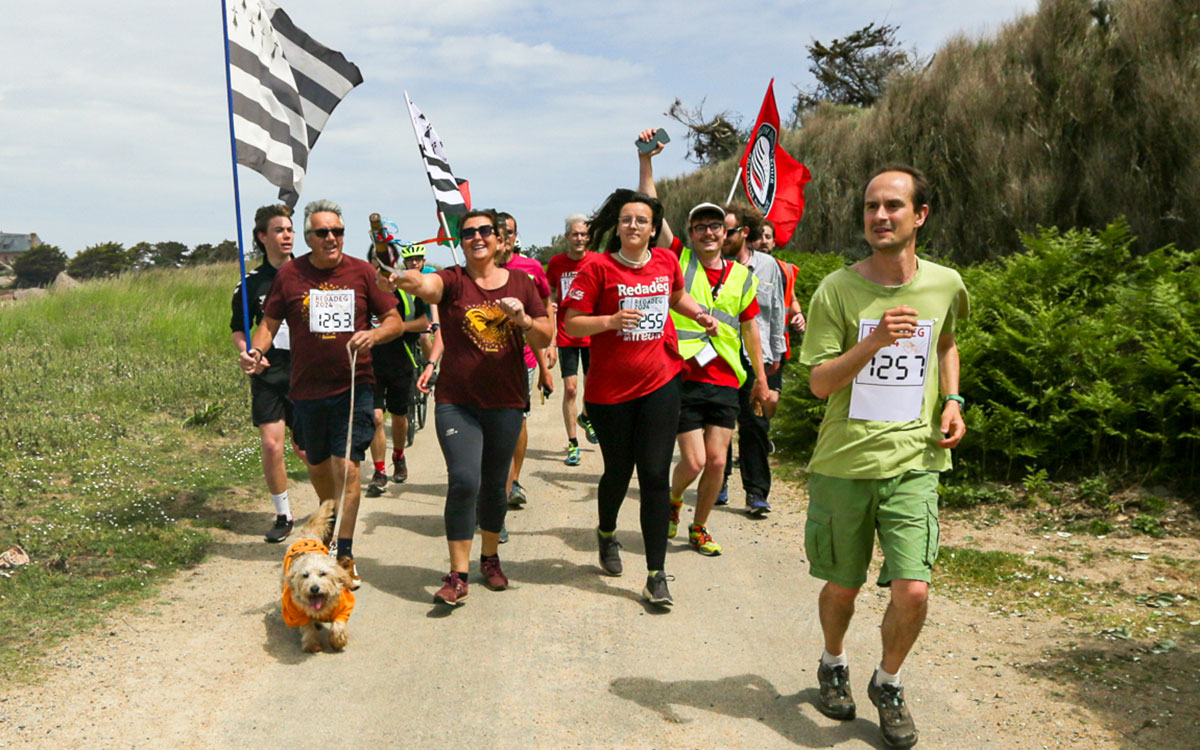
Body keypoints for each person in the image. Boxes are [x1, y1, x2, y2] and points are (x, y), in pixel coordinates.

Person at [799, 165, 968, 749]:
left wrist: (953, 400)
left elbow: (946, 340)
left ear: (919, 215)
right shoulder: (837, 290)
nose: (879, 216)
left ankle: (888, 682)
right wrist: (871, 342)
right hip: (844, 463)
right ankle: (832, 661)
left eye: (893, 206)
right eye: (871, 206)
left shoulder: (945, 283)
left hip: (916, 460)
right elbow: (819, 383)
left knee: (913, 589)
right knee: (842, 588)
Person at [383, 209, 552, 606]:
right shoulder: (453, 280)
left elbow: (545, 335)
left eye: (485, 231)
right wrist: (401, 277)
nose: (477, 237)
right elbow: (424, 285)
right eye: (468, 232)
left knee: (495, 486)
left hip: (506, 401)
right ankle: (457, 575)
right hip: (457, 402)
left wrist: (523, 319)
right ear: (460, 240)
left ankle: (490, 558)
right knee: (463, 481)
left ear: (499, 239)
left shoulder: (524, 283)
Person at [563, 188, 718, 607]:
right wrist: (611, 320)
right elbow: (573, 324)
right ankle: (607, 533)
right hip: (609, 392)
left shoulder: (667, 261)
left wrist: (699, 313)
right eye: (627, 219)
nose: (634, 226)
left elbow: (675, 297)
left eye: (642, 220)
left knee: (653, 475)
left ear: (653, 229)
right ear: (618, 226)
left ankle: (655, 574)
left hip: (660, 382)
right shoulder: (597, 267)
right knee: (619, 470)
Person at [240, 200, 403, 590]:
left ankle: (344, 552)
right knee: (317, 465)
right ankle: (328, 523)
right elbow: (268, 322)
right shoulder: (291, 275)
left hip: (354, 385)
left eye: (338, 232)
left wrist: (375, 335)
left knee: (347, 467)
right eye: (322, 233)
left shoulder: (363, 272)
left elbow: (395, 320)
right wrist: (256, 350)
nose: (331, 238)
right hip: (307, 390)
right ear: (309, 238)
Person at [663, 201, 769, 556]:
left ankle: (700, 527)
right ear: (689, 233)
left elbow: (750, 326)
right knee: (694, 462)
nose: (708, 232)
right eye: (700, 226)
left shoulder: (742, 276)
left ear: (727, 233)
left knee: (719, 462)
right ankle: (674, 500)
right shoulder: (678, 260)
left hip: (725, 376)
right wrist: (646, 163)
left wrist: (761, 378)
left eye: (715, 226)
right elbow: (654, 208)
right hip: (684, 374)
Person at [230, 203, 310, 543]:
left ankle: (332, 505)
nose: (287, 235)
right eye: (279, 230)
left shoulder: (310, 274)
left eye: (290, 229)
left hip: (307, 373)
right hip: (269, 373)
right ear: (263, 237)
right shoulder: (250, 284)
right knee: (271, 445)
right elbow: (238, 328)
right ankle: (283, 514)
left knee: (307, 451)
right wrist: (248, 352)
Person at [722, 201, 786, 517]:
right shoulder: (712, 267)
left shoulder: (768, 267)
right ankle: (718, 480)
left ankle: (756, 492)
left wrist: (776, 355)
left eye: (727, 231)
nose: (720, 236)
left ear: (744, 233)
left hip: (757, 358)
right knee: (719, 423)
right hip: (720, 357)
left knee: (756, 425)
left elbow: (776, 311)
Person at [364, 233, 432, 497]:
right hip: (370, 363)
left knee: (400, 417)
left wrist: (397, 327)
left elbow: (423, 322)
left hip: (401, 359)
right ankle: (379, 471)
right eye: (376, 259)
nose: (381, 264)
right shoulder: (363, 290)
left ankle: (399, 455)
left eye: (387, 260)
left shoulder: (405, 288)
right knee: (376, 417)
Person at [495, 211, 553, 510]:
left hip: (525, 358)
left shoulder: (530, 268)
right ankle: (495, 482)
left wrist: (547, 354)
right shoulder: (482, 269)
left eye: (510, 232)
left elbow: (545, 305)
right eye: (499, 231)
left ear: (516, 237)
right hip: (489, 362)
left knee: (517, 421)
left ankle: (512, 480)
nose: (504, 237)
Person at [545, 213, 596, 466]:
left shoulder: (597, 261)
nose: (579, 239)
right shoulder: (556, 263)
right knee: (571, 389)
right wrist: (551, 341)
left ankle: (586, 417)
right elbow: (551, 297)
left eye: (583, 234)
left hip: (593, 335)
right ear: (567, 237)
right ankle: (573, 443)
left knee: (594, 387)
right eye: (575, 234)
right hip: (567, 335)